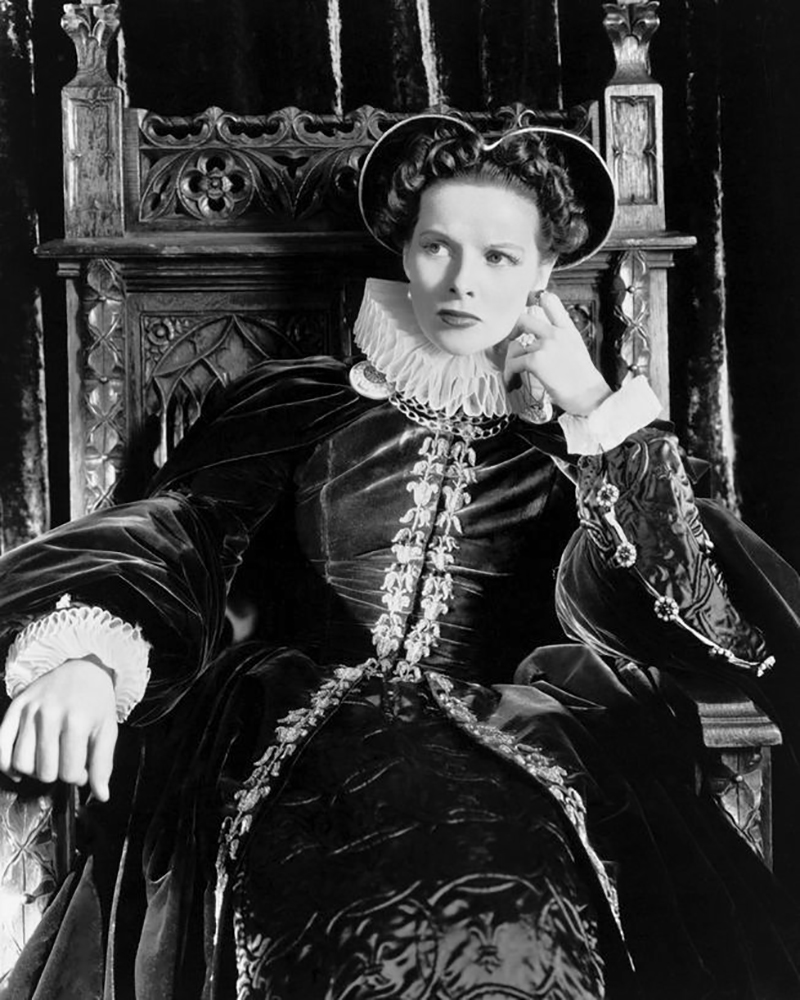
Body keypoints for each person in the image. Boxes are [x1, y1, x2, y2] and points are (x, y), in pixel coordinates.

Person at [1, 113, 800, 1000]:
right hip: (294, 735)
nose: (461, 282)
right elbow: (182, 526)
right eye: (436, 247)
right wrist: (86, 651)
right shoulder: (300, 401)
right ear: (404, 253)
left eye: (499, 256)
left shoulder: (577, 447)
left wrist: (594, 410)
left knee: (522, 912)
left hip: (523, 750)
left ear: (544, 272)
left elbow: (696, 608)